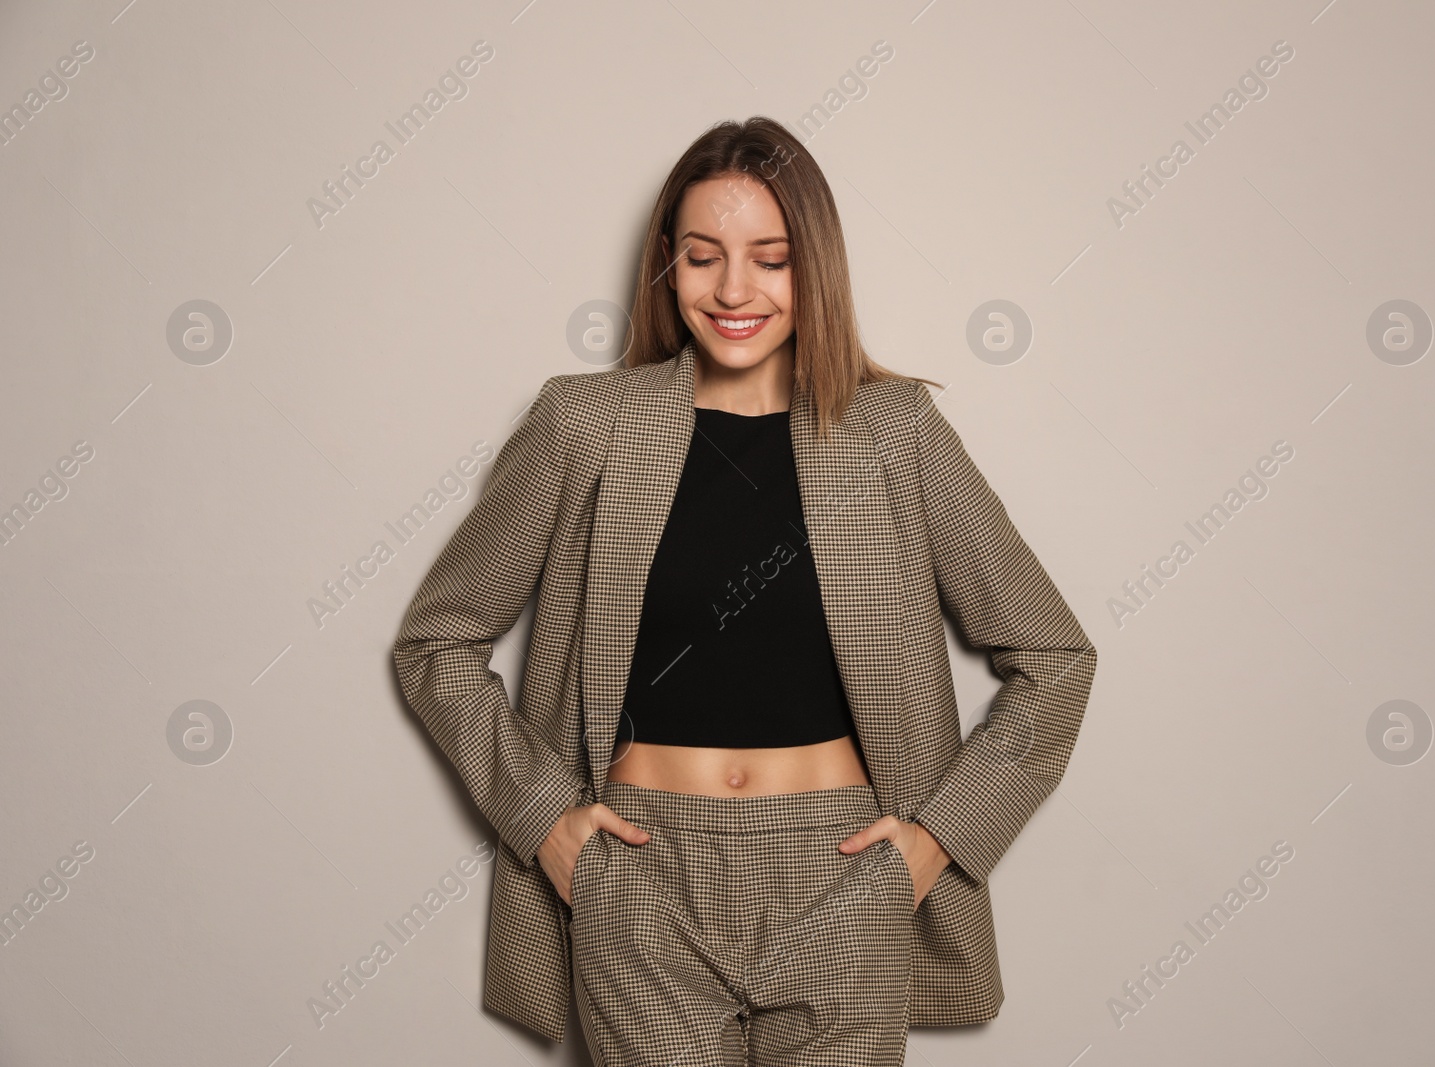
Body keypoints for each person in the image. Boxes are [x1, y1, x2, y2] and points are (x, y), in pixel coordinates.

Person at [392, 116, 1097, 1067]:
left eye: (771, 258)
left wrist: (934, 842)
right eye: (702, 256)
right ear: (666, 269)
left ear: (816, 269)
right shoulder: (584, 426)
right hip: (639, 872)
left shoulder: (895, 433)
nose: (734, 290)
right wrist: (545, 821)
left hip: (845, 873)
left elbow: (1055, 656)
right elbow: (436, 642)